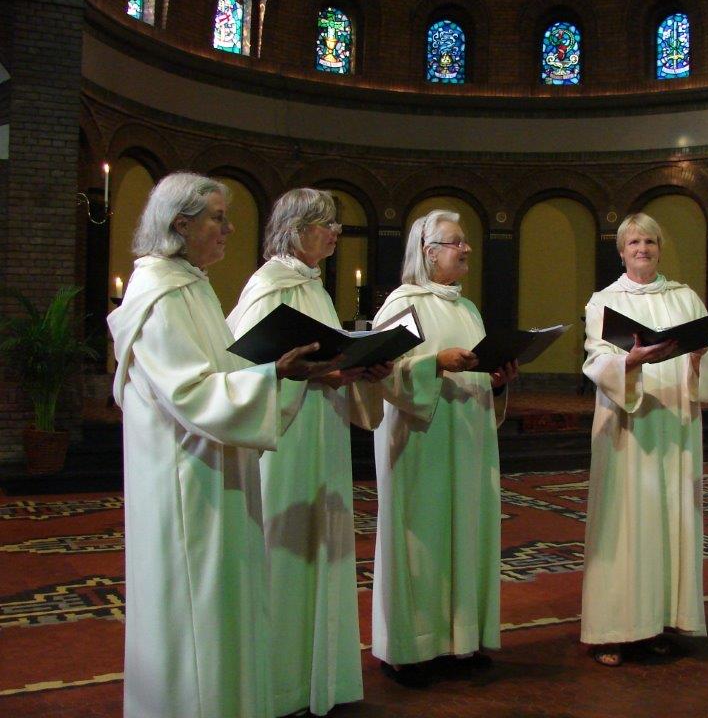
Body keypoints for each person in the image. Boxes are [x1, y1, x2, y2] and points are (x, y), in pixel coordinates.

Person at [107, 172, 340, 718]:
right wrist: (273, 377)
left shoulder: (190, 284)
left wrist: (296, 372)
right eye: (217, 217)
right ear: (180, 224)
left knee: (222, 606)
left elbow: (226, 367)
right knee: (195, 609)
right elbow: (190, 391)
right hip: (185, 481)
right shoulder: (159, 294)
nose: (229, 229)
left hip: (215, 470)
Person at [226, 189, 391, 716]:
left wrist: (357, 368)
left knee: (321, 547)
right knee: (285, 550)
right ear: (295, 229)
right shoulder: (268, 288)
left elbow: (323, 361)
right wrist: (315, 374)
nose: (336, 233)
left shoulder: (313, 289)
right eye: (327, 224)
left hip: (320, 431)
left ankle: (317, 682)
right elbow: (239, 370)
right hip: (284, 440)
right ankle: (276, 688)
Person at [371, 209, 517, 686]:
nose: (466, 249)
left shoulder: (468, 309)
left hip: (470, 441)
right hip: (421, 444)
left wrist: (497, 382)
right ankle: (409, 651)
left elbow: (476, 369)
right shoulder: (402, 304)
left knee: (467, 534)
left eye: (465, 242)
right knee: (421, 541)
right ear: (428, 252)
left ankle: (460, 641)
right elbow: (383, 371)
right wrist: (435, 362)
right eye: (456, 243)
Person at [580, 212, 708, 667]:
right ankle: (613, 629)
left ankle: (659, 621)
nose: (642, 249)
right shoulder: (603, 301)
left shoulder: (685, 298)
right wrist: (630, 362)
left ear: (660, 247)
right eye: (634, 243)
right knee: (623, 524)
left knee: (668, 519)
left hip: (675, 428)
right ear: (621, 251)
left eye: (650, 242)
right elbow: (596, 360)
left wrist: (700, 358)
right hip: (629, 428)